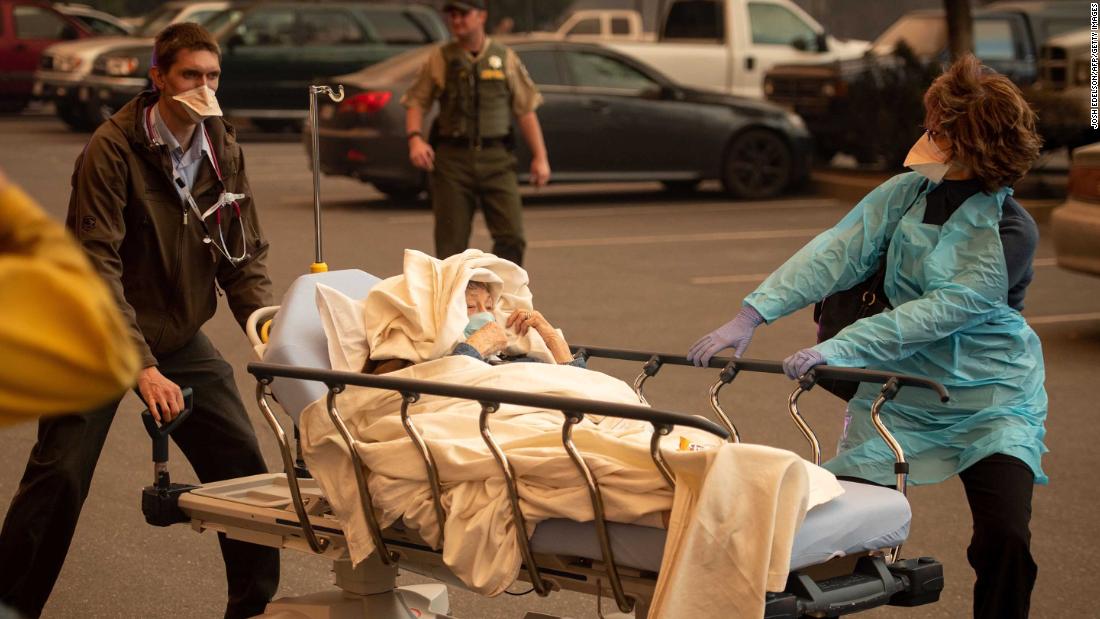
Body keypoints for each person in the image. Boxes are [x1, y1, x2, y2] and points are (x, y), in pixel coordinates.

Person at [688, 55, 1045, 619]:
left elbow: (937, 313)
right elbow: (837, 249)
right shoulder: (908, 192)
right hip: (901, 394)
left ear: (970, 141)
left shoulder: (1011, 230)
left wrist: (837, 349)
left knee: (1004, 538)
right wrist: (754, 313)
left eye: (938, 129)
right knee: (835, 524)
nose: (925, 137)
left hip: (989, 399)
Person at [0, 24, 278, 619]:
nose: (203, 88)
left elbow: (241, 255)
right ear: (157, 79)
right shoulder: (112, 147)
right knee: (59, 480)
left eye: (212, 76)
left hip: (175, 330)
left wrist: (269, 331)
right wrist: (143, 367)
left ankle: (251, 610)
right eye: (189, 75)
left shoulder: (222, 145)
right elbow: (95, 266)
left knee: (245, 475)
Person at [402, 0, 551, 267]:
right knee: (451, 246)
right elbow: (416, 101)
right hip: (452, 162)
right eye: (452, 15)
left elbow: (525, 109)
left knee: (512, 237)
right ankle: (454, 304)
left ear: (481, 16)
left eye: (464, 14)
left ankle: (504, 299)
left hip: (497, 158)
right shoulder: (440, 58)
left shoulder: (504, 57)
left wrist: (540, 157)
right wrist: (415, 139)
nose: (457, 20)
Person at [0, 166, 138, 423]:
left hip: (170, 326)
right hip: (121, 329)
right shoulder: (109, 149)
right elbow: (109, 356)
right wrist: (9, 206)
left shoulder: (219, 146)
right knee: (65, 451)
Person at [365, 281, 580, 373]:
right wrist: (474, 348)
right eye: (469, 306)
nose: (485, 314)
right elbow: (450, 394)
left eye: (488, 305)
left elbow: (582, 393)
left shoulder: (516, 358)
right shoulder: (415, 360)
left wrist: (552, 339)